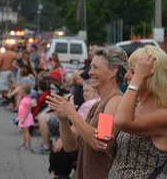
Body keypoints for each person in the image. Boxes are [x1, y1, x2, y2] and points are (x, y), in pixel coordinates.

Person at [46, 46, 128, 179]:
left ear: (113, 71)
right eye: (90, 67)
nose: (90, 72)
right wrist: (63, 119)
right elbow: (70, 146)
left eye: (95, 67)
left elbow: (101, 141)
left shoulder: (115, 102)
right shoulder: (97, 105)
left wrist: (72, 114)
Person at [100, 45, 167, 178]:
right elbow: (102, 142)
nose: (126, 75)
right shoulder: (128, 104)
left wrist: (72, 115)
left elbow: (120, 122)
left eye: (132, 71)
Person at [18, 84, 34, 149]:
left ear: (24, 91)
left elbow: (27, 111)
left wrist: (23, 119)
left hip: (26, 118)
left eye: (20, 91)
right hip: (23, 117)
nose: (19, 92)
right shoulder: (24, 98)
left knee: (26, 131)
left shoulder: (27, 100)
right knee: (24, 131)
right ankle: (24, 143)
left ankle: (27, 145)